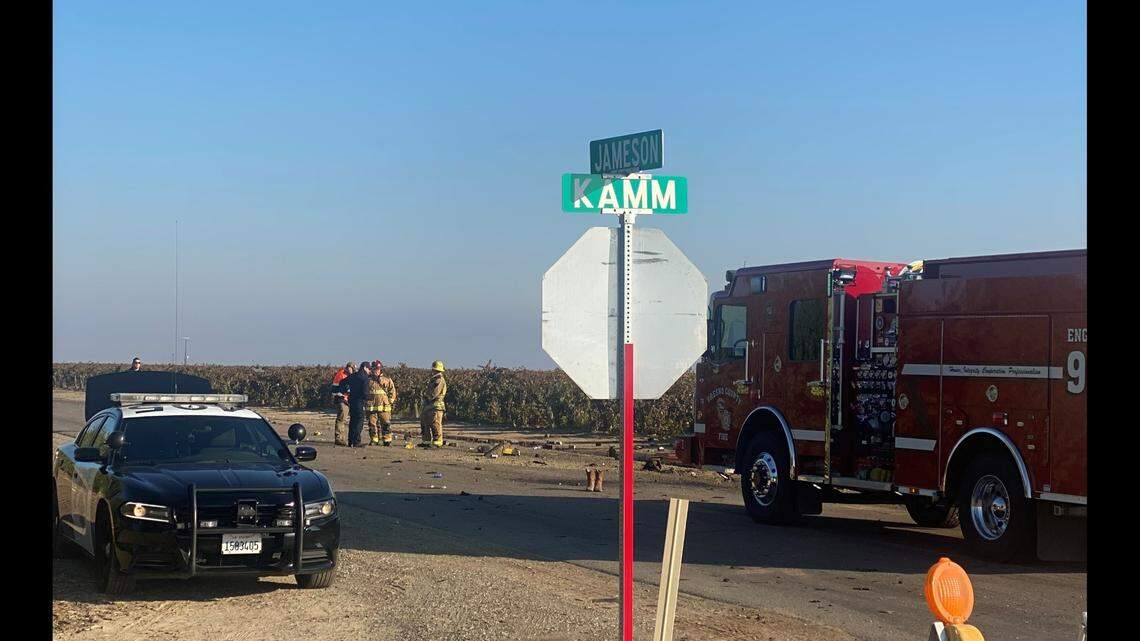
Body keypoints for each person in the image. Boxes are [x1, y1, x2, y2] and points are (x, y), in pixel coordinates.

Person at [337, 362, 372, 447]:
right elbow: (365, 392)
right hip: (360, 401)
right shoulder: (365, 378)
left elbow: (342, 382)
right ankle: (356, 442)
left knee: (352, 421)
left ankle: (350, 441)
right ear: (365, 368)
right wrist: (368, 398)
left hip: (351, 401)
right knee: (359, 421)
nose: (369, 371)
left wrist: (345, 391)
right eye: (369, 369)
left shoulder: (353, 376)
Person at [366, 360, 398, 446]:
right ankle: (374, 439)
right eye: (375, 369)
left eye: (378, 369)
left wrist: (390, 401)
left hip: (384, 406)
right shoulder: (368, 380)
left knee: (386, 424)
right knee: (372, 424)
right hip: (371, 406)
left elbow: (393, 391)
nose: (377, 370)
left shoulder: (386, 379)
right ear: (372, 369)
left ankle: (387, 440)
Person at [419, 360, 447, 448]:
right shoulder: (433, 379)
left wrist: (426, 397)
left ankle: (437, 442)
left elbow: (434, 393)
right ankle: (426, 441)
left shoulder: (439, 380)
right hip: (430, 406)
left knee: (435, 424)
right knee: (425, 423)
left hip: (436, 406)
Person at [331, 362, 356, 446]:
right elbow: (335, 390)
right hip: (342, 400)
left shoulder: (350, 375)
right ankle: (339, 438)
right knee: (341, 419)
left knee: (344, 420)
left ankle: (342, 438)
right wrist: (343, 397)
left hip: (348, 400)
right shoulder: (341, 375)